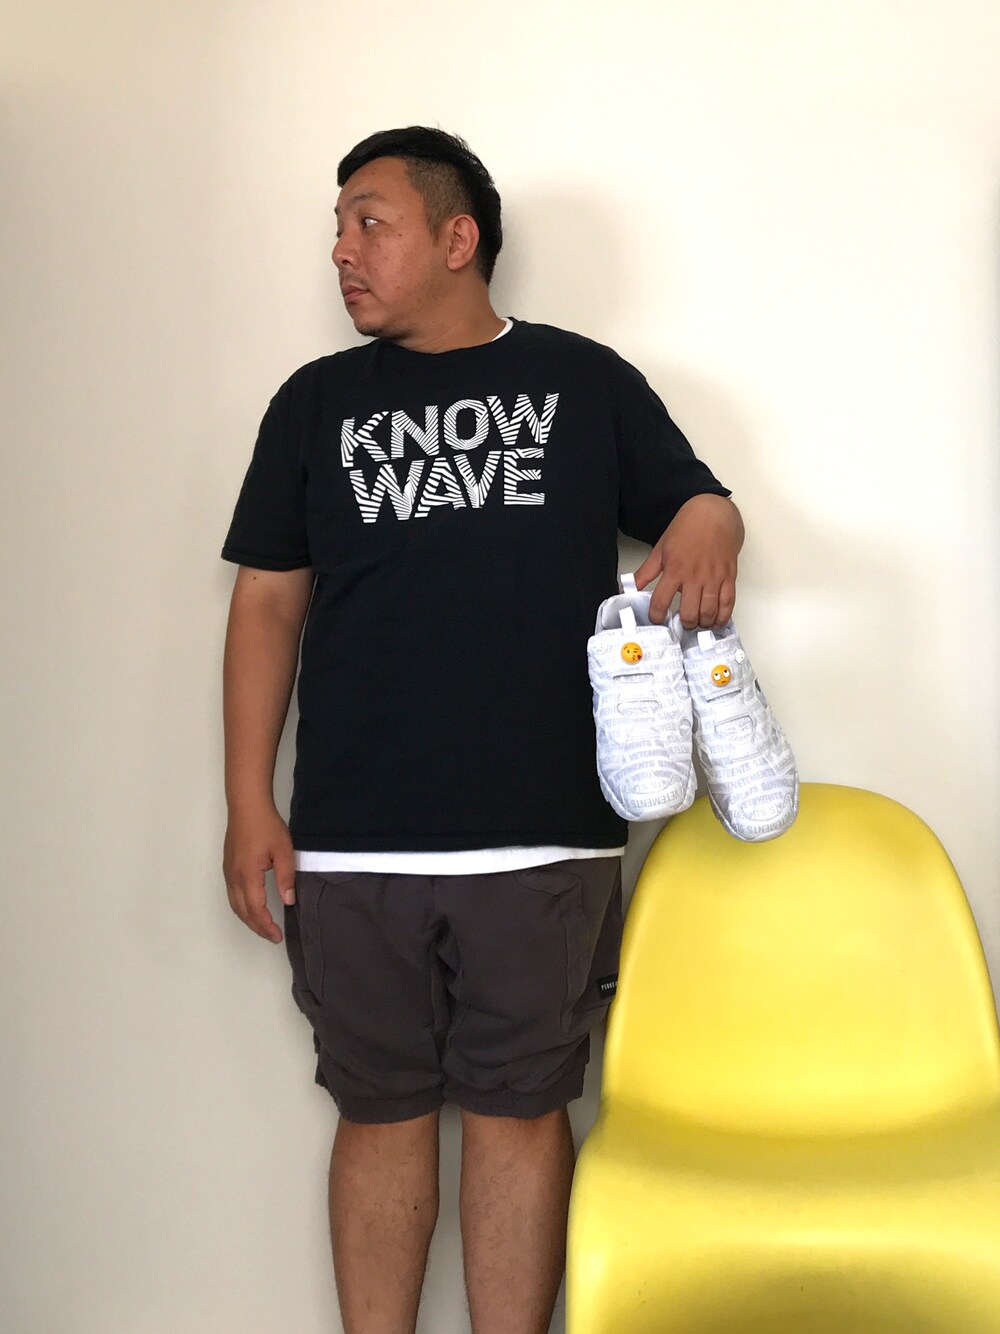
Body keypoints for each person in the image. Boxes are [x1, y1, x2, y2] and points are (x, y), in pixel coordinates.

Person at [221, 126, 743, 1334]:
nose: (340, 250)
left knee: (520, 1112)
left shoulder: (582, 380)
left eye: (369, 221)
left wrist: (713, 515)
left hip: (544, 831)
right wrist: (250, 800)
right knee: (378, 1111)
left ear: (458, 238)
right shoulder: (313, 403)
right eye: (337, 226)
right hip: (354, 838)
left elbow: (695, 503)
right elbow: (266, 603)